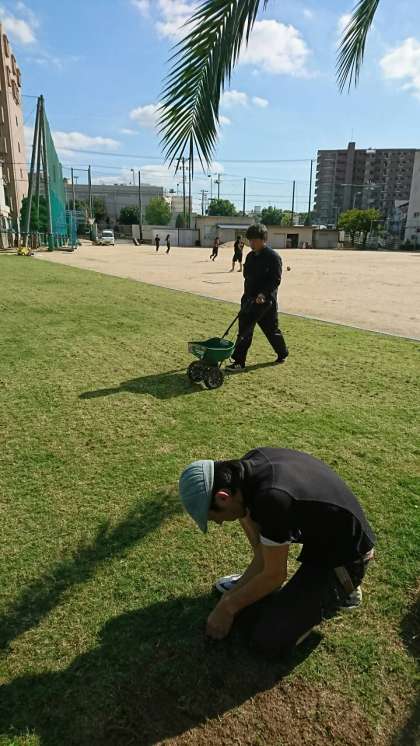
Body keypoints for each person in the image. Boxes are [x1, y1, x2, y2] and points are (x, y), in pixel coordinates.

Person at [179, 448, 375, 658]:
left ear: (223, 497)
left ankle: (342, 591)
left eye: (213, 517)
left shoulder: (271, 500)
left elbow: (275, 575)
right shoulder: (248, 469)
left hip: (345, 557)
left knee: (268, 640)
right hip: (326, 536)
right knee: (253, 598)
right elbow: (262, 555)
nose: (218, 523)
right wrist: (232, 596)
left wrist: (227, 608)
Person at [226, 223, 288, 372]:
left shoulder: (273, 257)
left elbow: (275, 280)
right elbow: (247, 276)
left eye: (254, 240)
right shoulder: (250, 256)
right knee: (244, 331)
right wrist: (249, 296)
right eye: (250, 240)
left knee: (271, 330)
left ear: (263, 239)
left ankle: (282, 353)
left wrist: (263, 294)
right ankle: (239, 361)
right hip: (249, 300)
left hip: (266, 303)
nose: (251, 243)